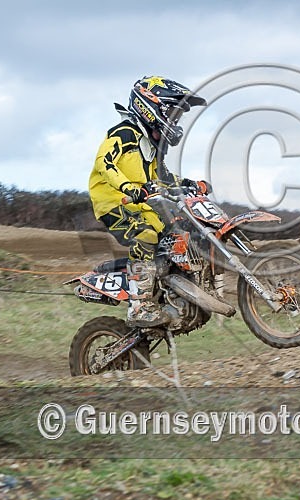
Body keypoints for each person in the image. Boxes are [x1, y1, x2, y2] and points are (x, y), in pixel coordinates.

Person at [88, 76, 210, 327]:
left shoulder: (152, 147)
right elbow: (104, 162)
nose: (176, 120)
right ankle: (139, 305)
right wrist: (127, 187)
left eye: (178, 115)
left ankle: (171, 291)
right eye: (173, 112)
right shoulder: (124, 133)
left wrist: (189, 184)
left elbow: (162, 178)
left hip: (142, 204)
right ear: (151, 106)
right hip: (115, 202)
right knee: (145, 234)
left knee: (179, 232)